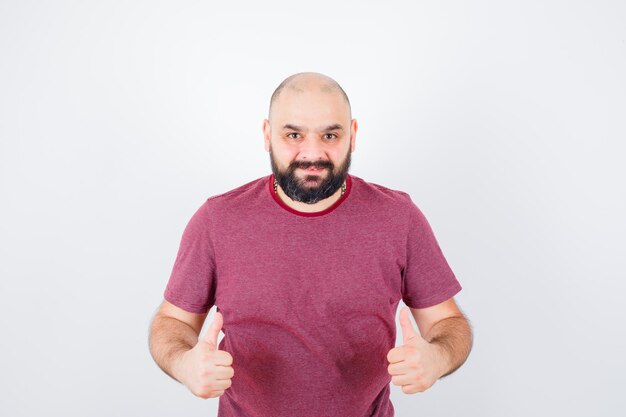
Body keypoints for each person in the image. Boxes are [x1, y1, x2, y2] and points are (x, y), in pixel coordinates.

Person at [148, 72, 473, 417]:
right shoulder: (217, 219)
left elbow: (448, 323)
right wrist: (184, 363)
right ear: (267, 135)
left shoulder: (399, 217)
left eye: (330, 135)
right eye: (293, 135)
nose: (313, 153)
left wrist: (437, 357)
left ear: (354, 135)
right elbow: (173, 322)